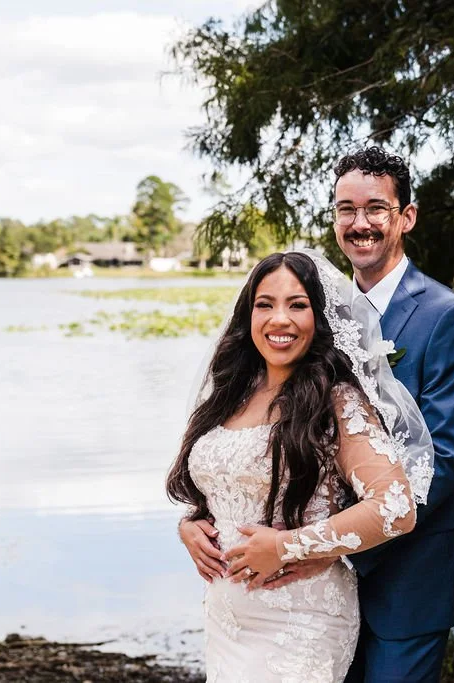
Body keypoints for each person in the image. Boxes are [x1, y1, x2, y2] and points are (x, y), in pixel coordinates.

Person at [167, 250, 435, 682]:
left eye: (297, 305)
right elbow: (224, 484)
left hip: (300, 619)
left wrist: (288, 547)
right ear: (247, 314)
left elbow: (396, 507)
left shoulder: (336, 400)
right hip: (226, 618)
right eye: (265, 304)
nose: (279, 319)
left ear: (320, 317)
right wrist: (191, 525)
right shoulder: (230, 393)